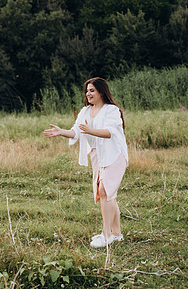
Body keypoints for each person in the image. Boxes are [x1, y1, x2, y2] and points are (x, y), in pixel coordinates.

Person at [43, 77, 128, 248]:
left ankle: (106, 234)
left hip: (114, 153)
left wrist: (91, 130)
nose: (88, 94)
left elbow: (110, 132)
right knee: (108, 193)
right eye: (87, 91)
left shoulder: (112, 110)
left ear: (101, 92)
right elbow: (76, 132)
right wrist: (61, 132)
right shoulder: (85, 111)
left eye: (92, 90)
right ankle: (117, 234)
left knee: (105, 191)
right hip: (98, 154)